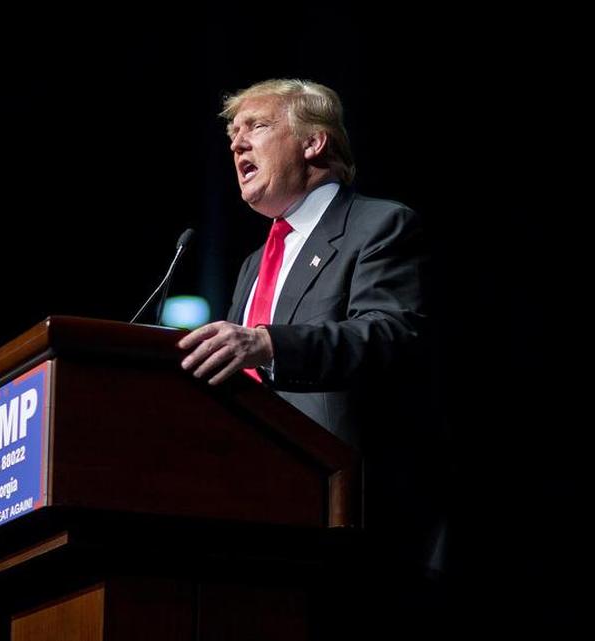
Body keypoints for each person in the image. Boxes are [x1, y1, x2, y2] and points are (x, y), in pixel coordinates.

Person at [176, 79, 448, 634]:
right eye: (233, 135)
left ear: (314, 142)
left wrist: (268, 342)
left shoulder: (379, 224)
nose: (237, 145)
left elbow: (391, 334)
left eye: (256, 126)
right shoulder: (254, 262)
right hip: (259, 525)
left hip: (355, 527)